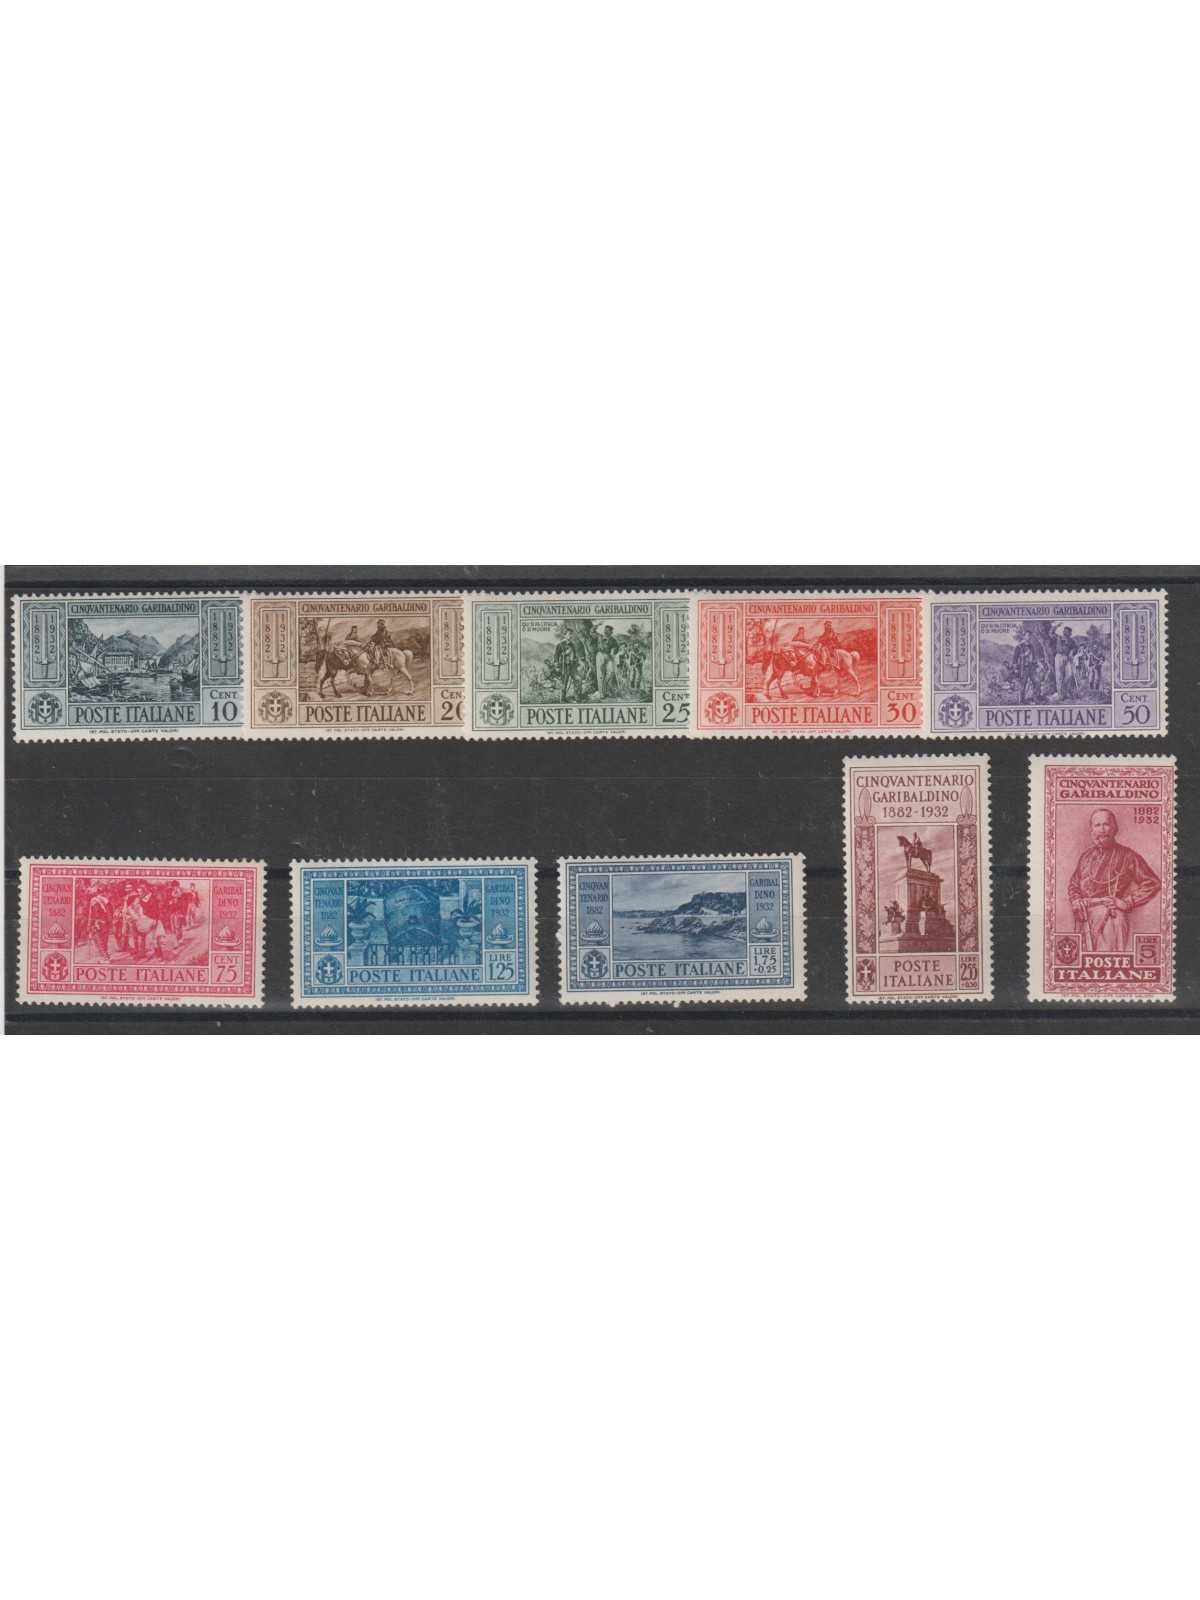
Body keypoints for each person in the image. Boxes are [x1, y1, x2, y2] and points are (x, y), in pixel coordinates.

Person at [1068, 808, 1160, 952]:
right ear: (1092, 830)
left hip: (1111, 918)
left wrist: (1128, 902)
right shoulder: (1086, 857)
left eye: (1106, 824)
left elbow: (1153, 883)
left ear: (1114, 828)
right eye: (1097, 825)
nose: (1102, 830)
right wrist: (1076, 900)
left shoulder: (1128, 855)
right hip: (1084, 917)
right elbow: (1074, 884)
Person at [1049, 625, 1079, 702]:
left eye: (1068, 632)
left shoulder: (1071, 641)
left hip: (1067, 658)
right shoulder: (1058, 637)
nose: (1066, 632)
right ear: (1063, 632)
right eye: (1065, 631)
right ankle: (1060, 695)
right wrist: (1056, 626)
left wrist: (1072, 651)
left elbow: (1076, 648)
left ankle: (1065, 692)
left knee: (1069, 675)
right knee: (1059, 676)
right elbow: (1051, 633)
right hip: (1059, 657)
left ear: (1070, 633)